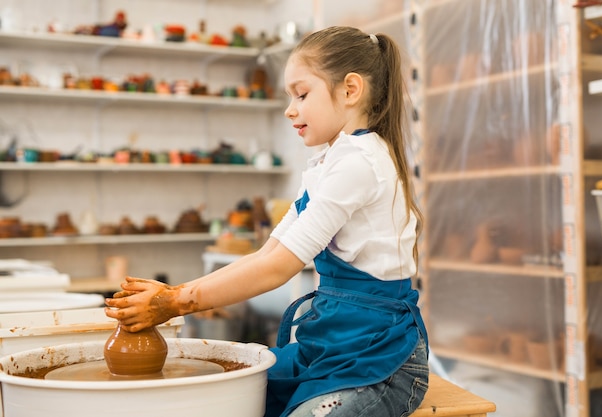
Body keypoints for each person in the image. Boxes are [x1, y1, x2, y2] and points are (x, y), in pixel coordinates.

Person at [104, 25, 429, 417]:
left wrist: (174, 302)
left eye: (302, 94)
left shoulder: (361, 162)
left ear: (350, 90)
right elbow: (268, 252)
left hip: (383, 362)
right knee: (225, 394)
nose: (290, 109)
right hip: (335, 345)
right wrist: (177, 292)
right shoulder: (329, 164)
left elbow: (277, 269)